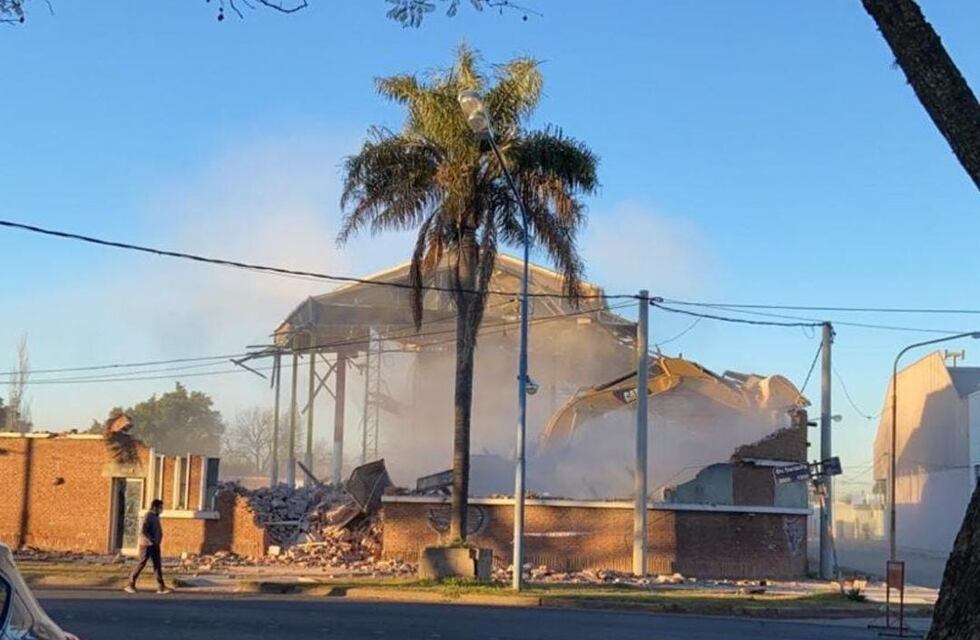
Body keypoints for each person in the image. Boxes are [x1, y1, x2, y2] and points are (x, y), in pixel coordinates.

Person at [124, 499, 172, 594]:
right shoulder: (148, 516)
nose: (161, 510)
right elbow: (143, 531)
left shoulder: (155, 516)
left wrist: (156, 541)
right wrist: (152, 540)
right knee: (142, 563)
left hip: (155, 545)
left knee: (157, 565)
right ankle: (130, 584)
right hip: (146, 545)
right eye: (160, 508)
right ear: (155, 507)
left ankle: (161, 587)